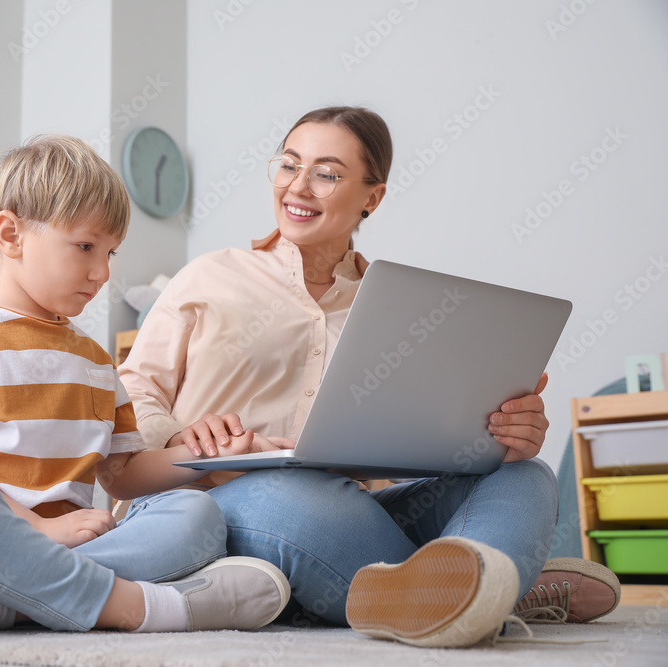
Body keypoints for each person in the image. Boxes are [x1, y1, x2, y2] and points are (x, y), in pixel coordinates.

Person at [118, 106, 621, 648]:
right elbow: (134, 390)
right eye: (288, 165)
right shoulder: (209, 276)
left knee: (526, 477)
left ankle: (464, 592)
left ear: (371, 198)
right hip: (221, 501)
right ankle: (499, 592)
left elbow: (421, 443)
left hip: (358, 513)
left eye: (327, 174)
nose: (299, 187)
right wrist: (177, 437)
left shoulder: (400, 309)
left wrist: (500, 436)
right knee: (289, 497)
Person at [0, 135, 291, 637]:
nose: (102, 272)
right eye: (85, 247)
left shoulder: (96, 361)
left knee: (197, 513)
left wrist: (209, 455)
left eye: (111, 252)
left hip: (77, 547)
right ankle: (141, 608)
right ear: (11, 235)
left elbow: (120, 474)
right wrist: (36, 530)